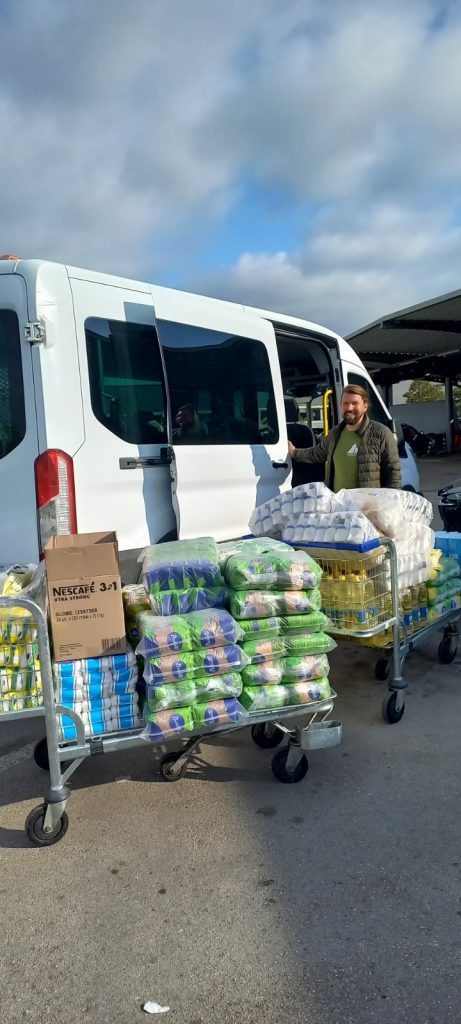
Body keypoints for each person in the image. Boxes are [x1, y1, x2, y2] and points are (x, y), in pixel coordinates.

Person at [287, 384, 401, 491]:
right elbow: (317, 453)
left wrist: (389, 506)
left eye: (355, 403)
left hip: (367, 507)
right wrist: (294, 452)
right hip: (339, 507)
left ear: (365, 406)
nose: (349, 408)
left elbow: (393, 474)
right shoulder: (335, 433)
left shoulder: (381, 433)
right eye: (345, 403)